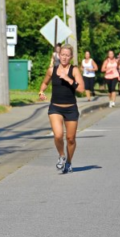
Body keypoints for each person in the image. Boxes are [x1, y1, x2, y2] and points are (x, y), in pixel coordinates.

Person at [38, 44, 85, 174]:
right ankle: (61, 156)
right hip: (55, 108)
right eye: (62, 55)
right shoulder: (52, 70)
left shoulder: (74, 70)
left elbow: (81, 89)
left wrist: (68, 79)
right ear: (59, 55)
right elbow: (45, 82)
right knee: (58, 135)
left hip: (71, 109)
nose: (64, 57)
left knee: (71, 139)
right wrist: (41, 91)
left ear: (71, 57)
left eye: (67, 55)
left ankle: (69, 162)